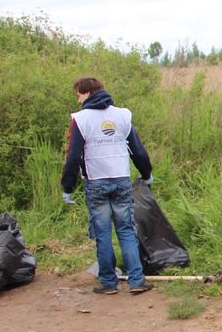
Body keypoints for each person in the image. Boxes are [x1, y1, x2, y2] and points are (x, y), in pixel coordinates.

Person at [60, 77, 154, 295]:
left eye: (78, 94)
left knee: (102, 233)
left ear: (86, 94)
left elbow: (73, 156)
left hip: (96, 182)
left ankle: (108, 283)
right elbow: (138, 150)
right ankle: (137, 281)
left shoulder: (81, 119)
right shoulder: (122, 115)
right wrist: (146, 173)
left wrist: (67, 187)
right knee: (126, 231)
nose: (77, 98)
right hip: (121, 180)